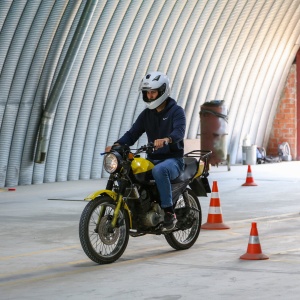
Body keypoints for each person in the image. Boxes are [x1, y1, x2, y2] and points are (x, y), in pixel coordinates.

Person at [105, 71, 186, 231]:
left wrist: (167, 139)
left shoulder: (176, 111)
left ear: (163, 91)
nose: (149, 96)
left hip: (173, 160)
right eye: (147, 93)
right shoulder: (146, 114)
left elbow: (179, 132)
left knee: (160, 170)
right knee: (129, 170)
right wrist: (117, 145)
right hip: (152, 158)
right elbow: (132, 133)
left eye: (153, 92)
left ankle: (169, 213)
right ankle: (138, 209)